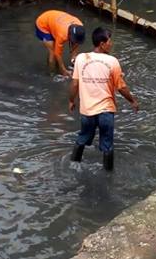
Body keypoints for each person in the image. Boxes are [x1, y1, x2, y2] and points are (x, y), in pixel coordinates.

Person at [69, 27, 138, 172]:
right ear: (102, 43)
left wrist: (71, 101)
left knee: (82, 138)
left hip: (87, 111)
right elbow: (121, 87)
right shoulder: (112, 61)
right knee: (107, 144)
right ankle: (108, 173)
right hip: (106, 111)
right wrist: (132, 101)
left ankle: (73, 165)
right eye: (109, 41)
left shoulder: (81, 58)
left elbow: (74, 83)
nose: (111, 44)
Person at [35, 9, 85, 77]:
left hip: (54, 20)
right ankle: (51, 74)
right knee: (52, 52)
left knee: (60, 49)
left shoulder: (80, 26)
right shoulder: (62, 35)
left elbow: (75, 45)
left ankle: (59, 68)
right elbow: (57, 54)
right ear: (69, 35)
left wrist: (74, 62)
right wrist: (63, 70)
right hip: (43, 24)